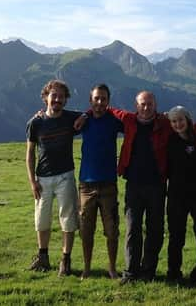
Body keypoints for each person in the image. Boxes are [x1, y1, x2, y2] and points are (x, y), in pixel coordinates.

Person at [103, 91, 196, 284]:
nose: (146, 107)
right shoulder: (128, 119)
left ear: (155, 105)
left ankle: (148, 271)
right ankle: (130, 273)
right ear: (136, 106)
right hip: (133, 185)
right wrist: (85, 114)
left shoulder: (165, 122)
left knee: (155, 230)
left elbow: (188, 123)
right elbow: (106, 109)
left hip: (157, 186)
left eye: (150, 104)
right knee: (132, 229)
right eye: (143, 104)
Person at [25, 79, 81, 276]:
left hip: (66, 176)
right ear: (46, 97)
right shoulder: (35, 123)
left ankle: (65, 260)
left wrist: (84, 118)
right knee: (42, 219)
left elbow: (91, 114)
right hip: (43, 178)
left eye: (61, 96)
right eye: (53, 95)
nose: (57, 99)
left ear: (66, 100)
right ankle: (43, 257)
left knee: (68, 219)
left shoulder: (70, 118)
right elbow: (30, 153)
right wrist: (32, 181)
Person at [77, 84, 123, 280]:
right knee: (86, 230)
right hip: (86, 186)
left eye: (103, 99)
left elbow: (136, 124)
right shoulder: (82, 120)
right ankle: (87, 268)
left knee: (112, 230)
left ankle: (111, 268)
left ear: (108, 101)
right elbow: (56, 116)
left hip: (108, 185)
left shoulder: (114, 121)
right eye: (96, 98)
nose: (100, 102)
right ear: (90, 100)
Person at [166, 106, 196, 285]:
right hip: (175, 196)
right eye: (173, 121)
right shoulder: (169, 139)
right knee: (176, 235)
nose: (177, 124)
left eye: (180, 120)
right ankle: (173, 272)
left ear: (187, 120)